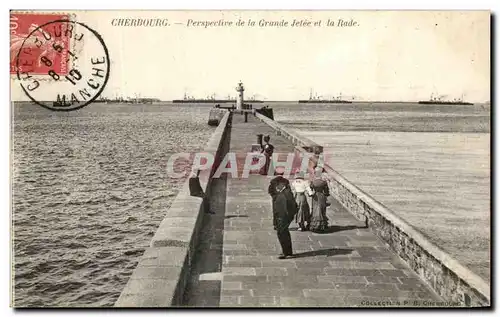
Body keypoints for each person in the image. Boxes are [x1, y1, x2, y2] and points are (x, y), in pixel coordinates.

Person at [269, 167, 297, 259]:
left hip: (280, 212)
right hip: (286, 212)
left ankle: (286, 252)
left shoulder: (274, 184)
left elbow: (271, 193)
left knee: (281, 232)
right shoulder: (286, 185)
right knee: (283, 231)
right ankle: (287, 251)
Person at [309, 167, 330, 232]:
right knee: (322, 210)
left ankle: (314, 225)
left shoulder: (313, 182)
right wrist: (326, 195)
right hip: (321, 196)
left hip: (315, 197)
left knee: (315, 210)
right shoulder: (323, 182)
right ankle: (322, 226)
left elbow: (311, 189)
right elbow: (326, 191)